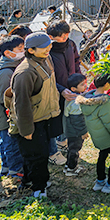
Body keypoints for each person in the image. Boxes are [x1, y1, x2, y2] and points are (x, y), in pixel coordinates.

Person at [7, 32, 61, 198]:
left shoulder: (46, 59)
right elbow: (21, 104)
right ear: (30, 50)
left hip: (45, 116)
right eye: (44, 47)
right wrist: (26, 129)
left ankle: (30, 181)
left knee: (40, 154)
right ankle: (39, 188)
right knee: (36, 156)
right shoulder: (25, 73)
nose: (48, 49)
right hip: (32, 121)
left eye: (49, 45)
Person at [77, 72, 110, 194]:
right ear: (106, 85)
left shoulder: (89, 98)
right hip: (108, 136)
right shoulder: (104, 102)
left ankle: (100, 181)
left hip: (98, 136)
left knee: (102, 155)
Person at [0, 35, 26, 179]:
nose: (23, 51)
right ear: (7, 53)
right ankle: (15, 171)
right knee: (11, 143)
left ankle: (5, 167)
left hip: (6, 114)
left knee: (6, 141)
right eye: (19, 49)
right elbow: (6, 98)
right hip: (5, 115)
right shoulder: (5, 72)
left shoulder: (9, 65)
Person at [47, 20, 82, 165]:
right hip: (55, 89)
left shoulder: (71, 44)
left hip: (71, 87)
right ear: (51, 37)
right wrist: (60, 89)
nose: (66, 37)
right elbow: (46, 76)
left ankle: (62, 141)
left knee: (68, 115)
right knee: (56, 116)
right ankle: (55, 145)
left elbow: (76, 61)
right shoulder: (47, 50)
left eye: (67, 34)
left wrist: (79, 80)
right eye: (62, 36)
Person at [62, 73, 89, 177]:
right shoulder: (76, 102)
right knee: (75, 149)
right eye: (82, 84)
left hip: (70, 130)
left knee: (71, 148)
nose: (85, 85)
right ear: (73, 88)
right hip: (75, 131)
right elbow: (77, 120)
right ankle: (71, 169)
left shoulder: (71, 96)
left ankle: (68, 165)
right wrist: (83, 132)